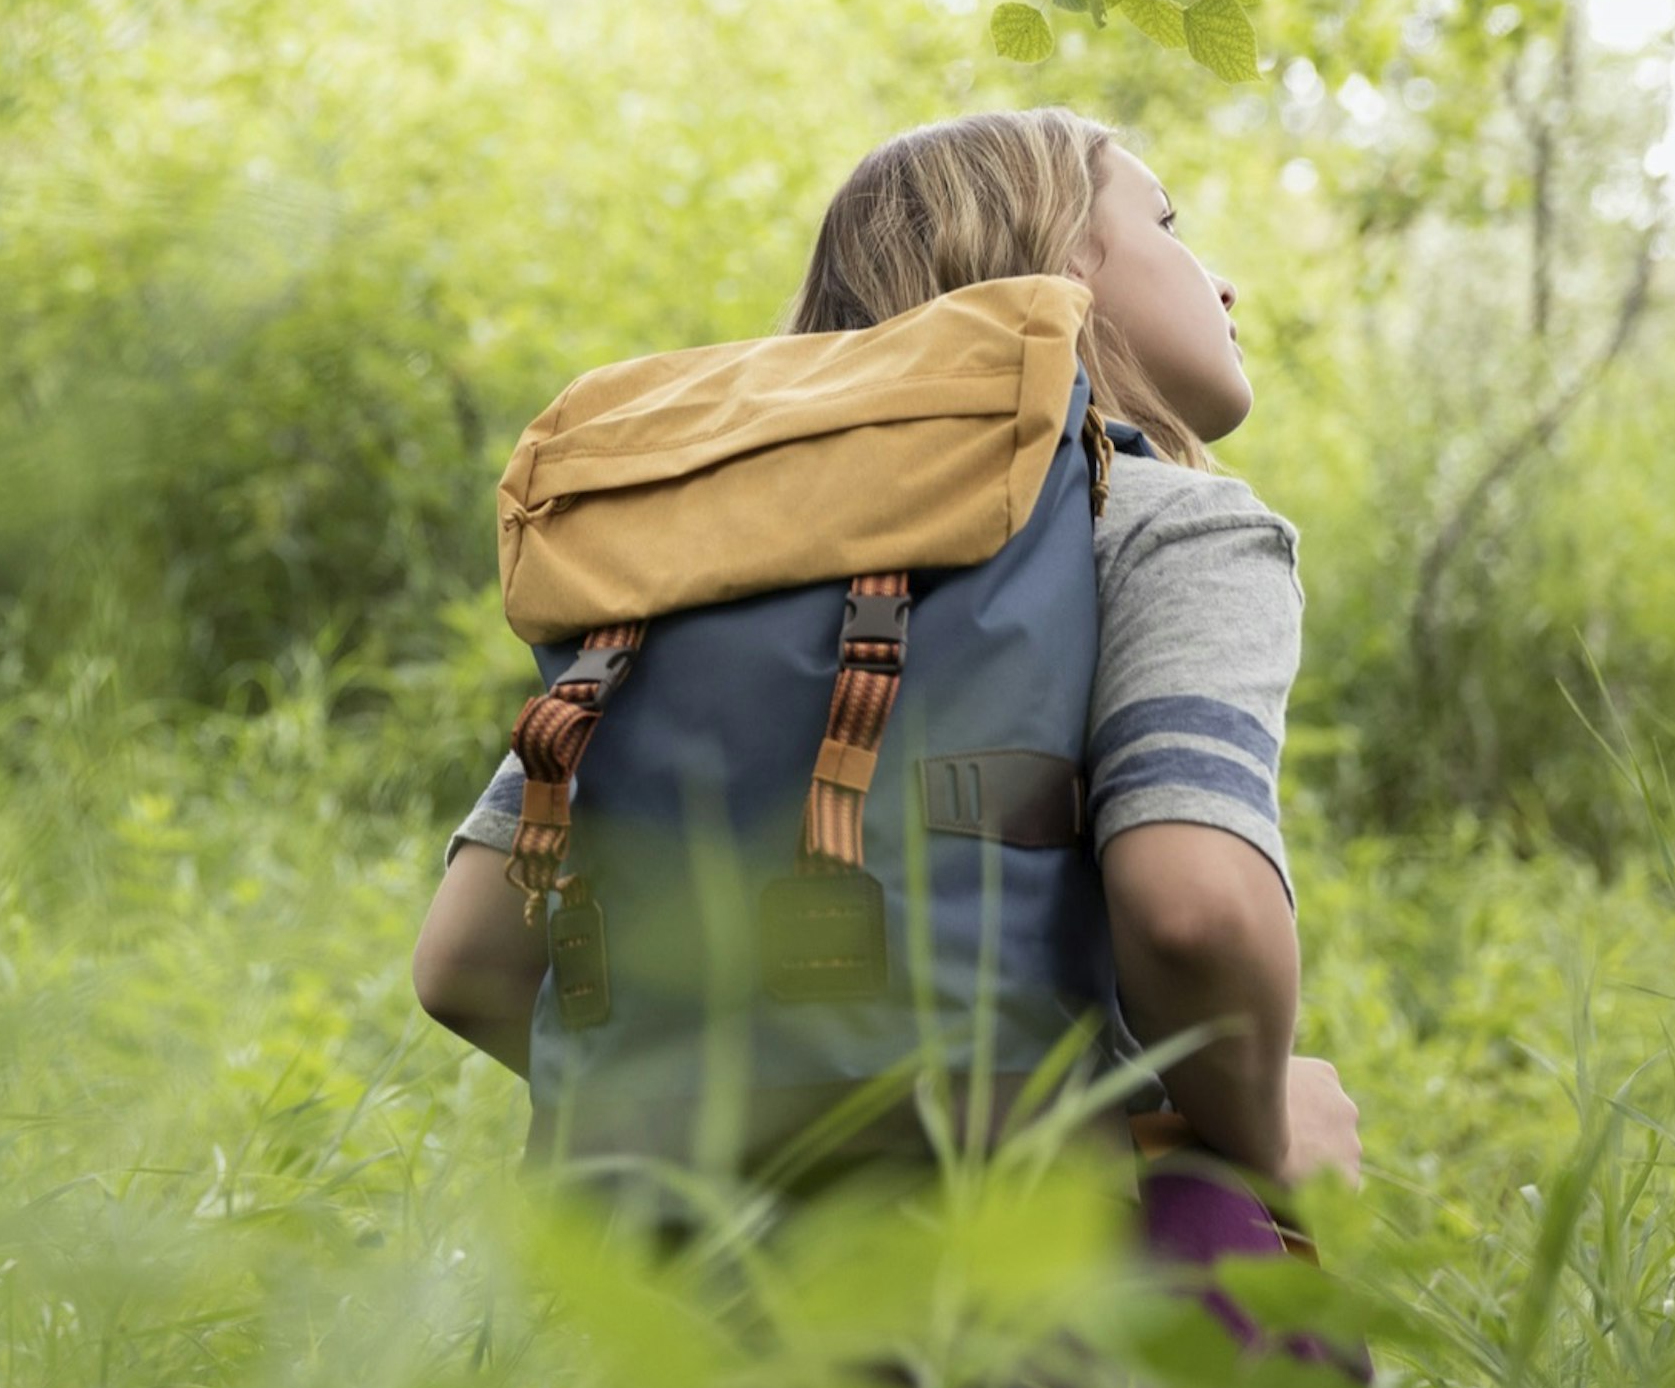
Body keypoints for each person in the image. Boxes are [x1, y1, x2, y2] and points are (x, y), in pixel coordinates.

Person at [411, 106, 1365, 1202]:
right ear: (1062, 267)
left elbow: (467, 962)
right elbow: (1196, 913)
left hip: (672, 1282)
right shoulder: (1167, 524)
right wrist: (1259, 1133)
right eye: (1168, 222)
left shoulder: (708, 553)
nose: (1222, 282)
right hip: (1018, 1266)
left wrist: (759, 1135)